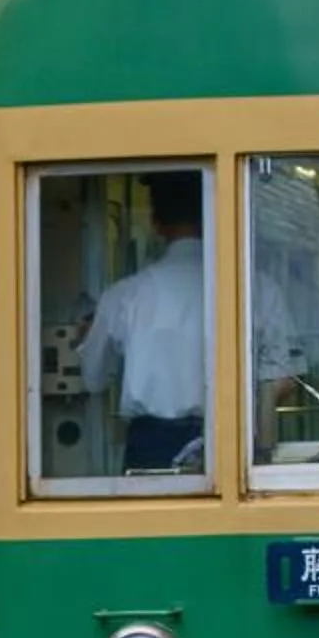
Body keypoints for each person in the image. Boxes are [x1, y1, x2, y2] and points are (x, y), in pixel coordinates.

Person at [75, 174, 207, 471]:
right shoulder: (253, 288)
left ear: (156, 223)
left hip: (150, 445)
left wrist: (89, 335)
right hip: (227, 438)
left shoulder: (124, 295)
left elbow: (93, 378)